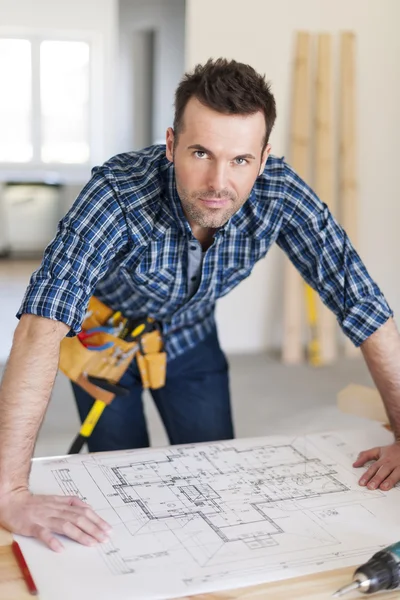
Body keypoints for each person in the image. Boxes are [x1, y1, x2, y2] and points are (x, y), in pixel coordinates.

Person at [0, 58, 399, 552]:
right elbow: (40, 327)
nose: (218, 183)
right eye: (200, 152)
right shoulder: (118, 193)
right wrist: (10, 492)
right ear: (171, 145)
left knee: (215, 480)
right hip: (102, 338)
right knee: (118, 484)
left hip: (191, 336)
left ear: (263, 156)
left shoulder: (281, 193)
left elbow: (364, 305)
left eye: (240, 160)